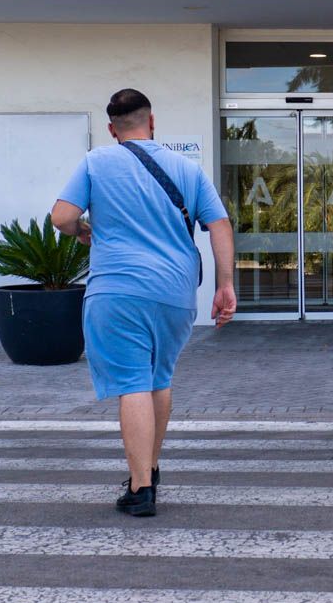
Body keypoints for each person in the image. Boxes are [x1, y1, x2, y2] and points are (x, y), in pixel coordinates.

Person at [50, 88, 236, 517]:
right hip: (175, 292)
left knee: (131, 382)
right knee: (159, 377)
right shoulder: (187, 169)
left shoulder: (98, 161)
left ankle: (140, 489)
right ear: (152, 123)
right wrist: (225, 285)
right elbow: (219, 224)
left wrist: (81, 229)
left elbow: (61, 217)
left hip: (117, 289)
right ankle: (149, 468)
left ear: (114, 130)